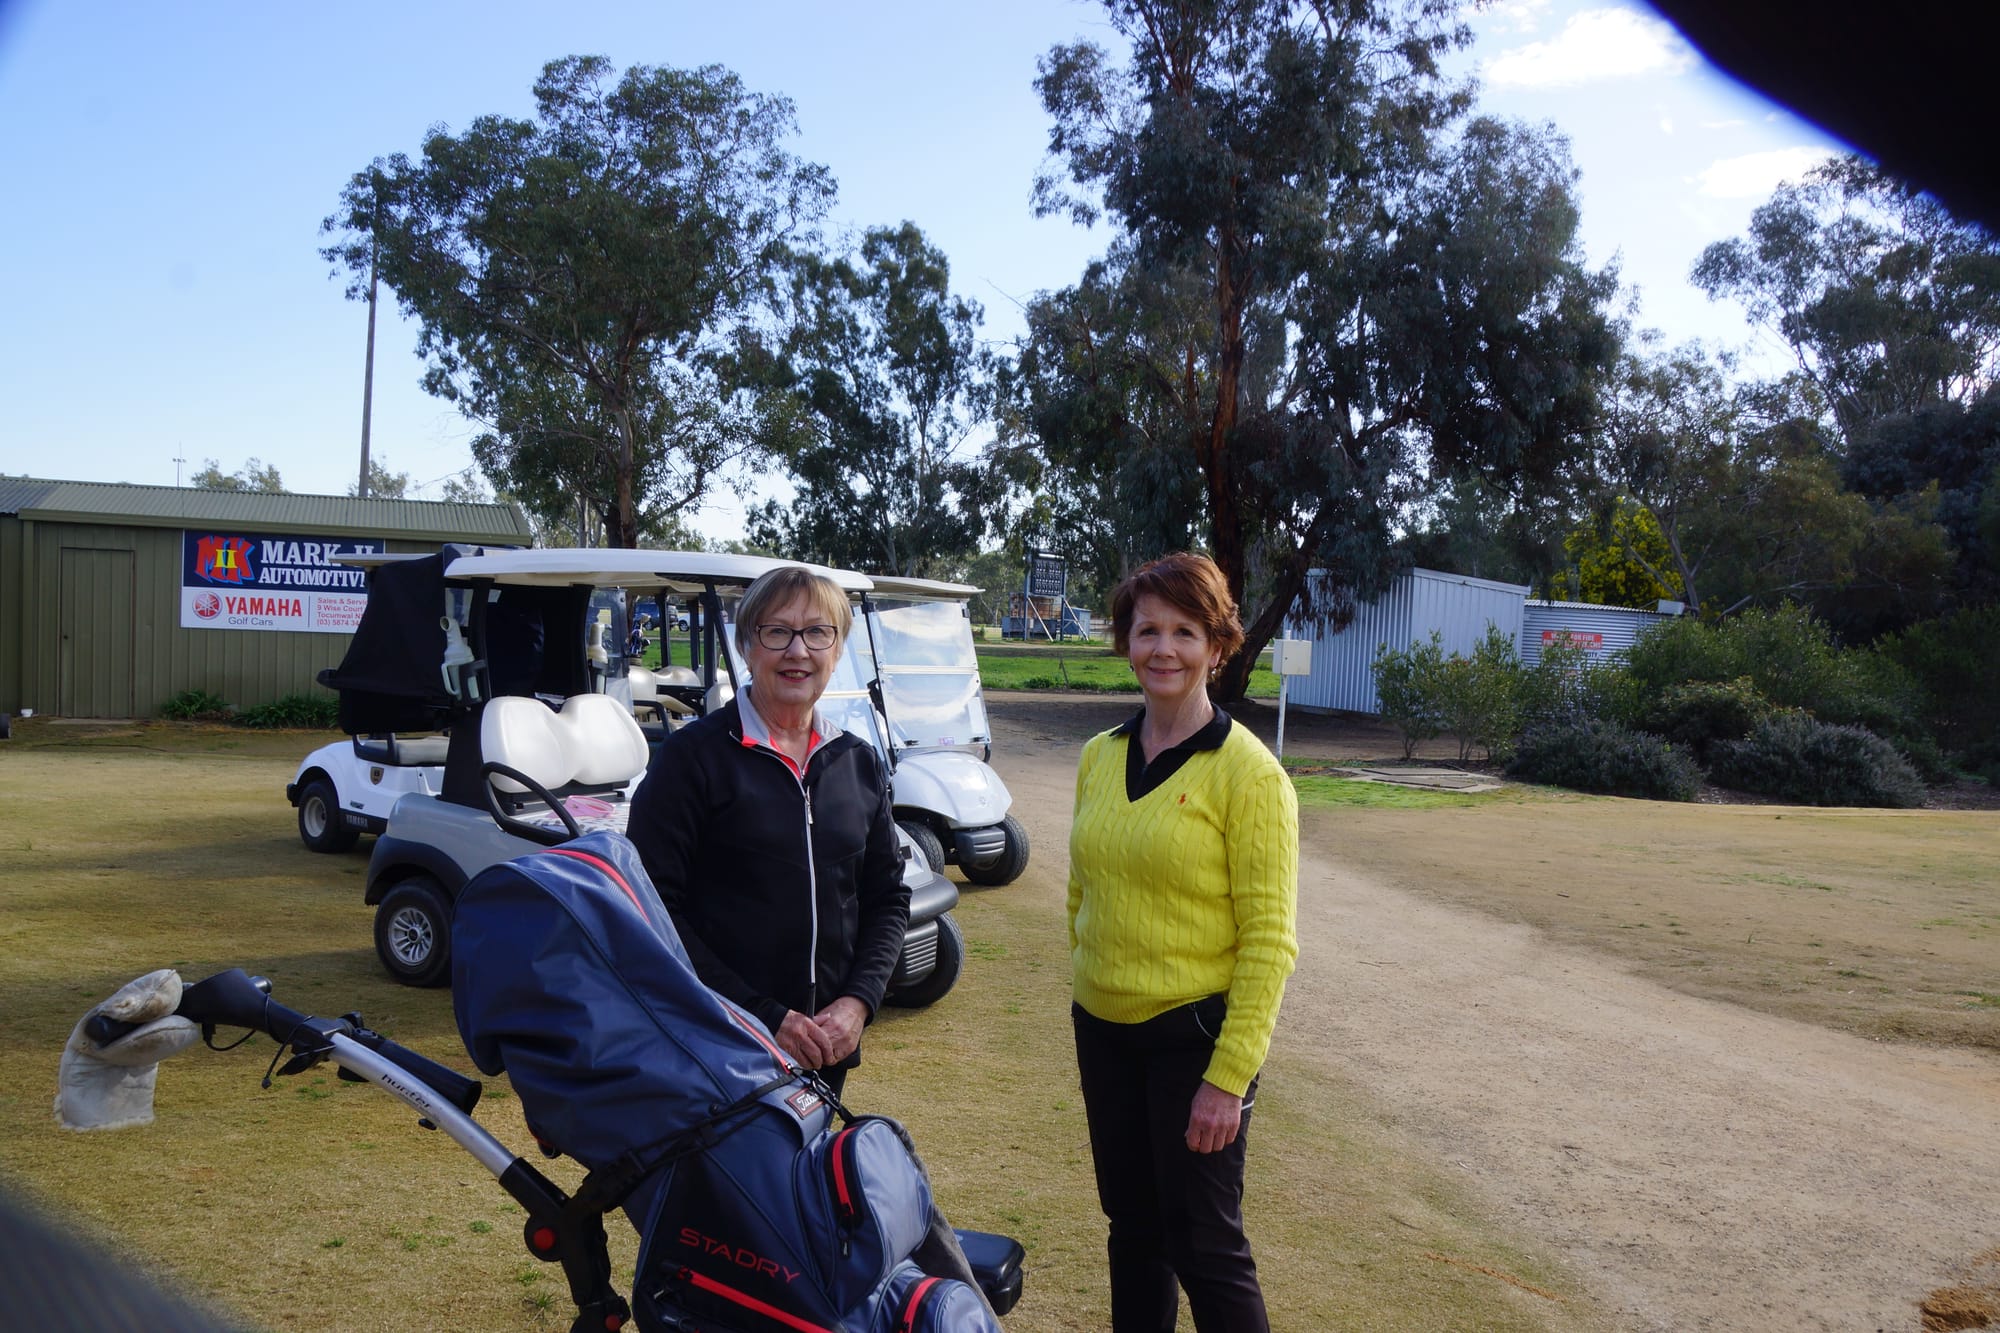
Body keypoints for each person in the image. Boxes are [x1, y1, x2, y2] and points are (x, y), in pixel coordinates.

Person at [1067, 551, 1300, 1333]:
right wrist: (1092, 974)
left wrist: (1228, 1079)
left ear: (1217, 645)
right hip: (1104, 1031)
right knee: (1133, 1231)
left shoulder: (1250, 776)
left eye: (1184, 631)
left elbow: (1270, 942)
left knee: (1205, 1245)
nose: (1162, 648)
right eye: (1147, 630)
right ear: (1126, 642)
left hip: (1193, 1044)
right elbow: (1083, 889)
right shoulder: (1100, 756)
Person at [626, 565, 909, 1099]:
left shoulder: (857, 761)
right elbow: (650, 911)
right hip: (719, 1048)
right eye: (777, 632)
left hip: (826, 1047)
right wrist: (764, 1016)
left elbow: (887, 897)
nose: (798, 651)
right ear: (746, 645)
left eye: (818, 632)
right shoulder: (692, 760)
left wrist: (858, 1003)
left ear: (837, 649)